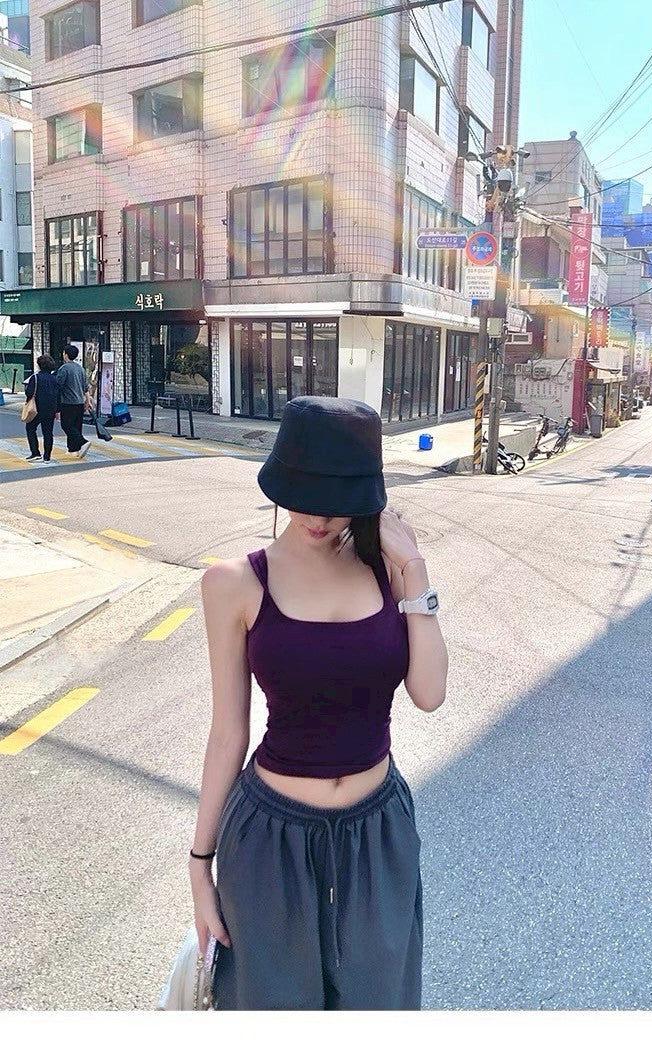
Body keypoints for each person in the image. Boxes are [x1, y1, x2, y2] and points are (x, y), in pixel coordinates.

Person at [190, 396, 449, 1011]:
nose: (318, 515)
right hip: (269, 839)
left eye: (337, 499)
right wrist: (200, 864)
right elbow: (228, 733)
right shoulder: (233, 583)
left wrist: (415, 571)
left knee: (379, 1007)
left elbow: (430, 694)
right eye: (304, 494)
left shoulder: (387, 571)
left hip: (378, 831)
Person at [55, 344, 91, 458]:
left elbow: (58, 385)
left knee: (66, 425)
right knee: (76, 426)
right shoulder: (81, 369)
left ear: (66, 354)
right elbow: (85, 387)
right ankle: (73, 449)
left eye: (64, 353)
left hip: (68, 402)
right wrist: (88, 401)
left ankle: (83, 442)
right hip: (79, 402)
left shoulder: (64, 368)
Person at [24, 354, 59, 464]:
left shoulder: (35, 378)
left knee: (30, 428)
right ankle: (47, 457)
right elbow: (58, 395)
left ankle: (35, 453)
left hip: (37, 409)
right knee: (48, 433)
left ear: (39, 365)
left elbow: (29, 393)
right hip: (50, 409)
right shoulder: (55, 379)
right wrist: (57, 410)